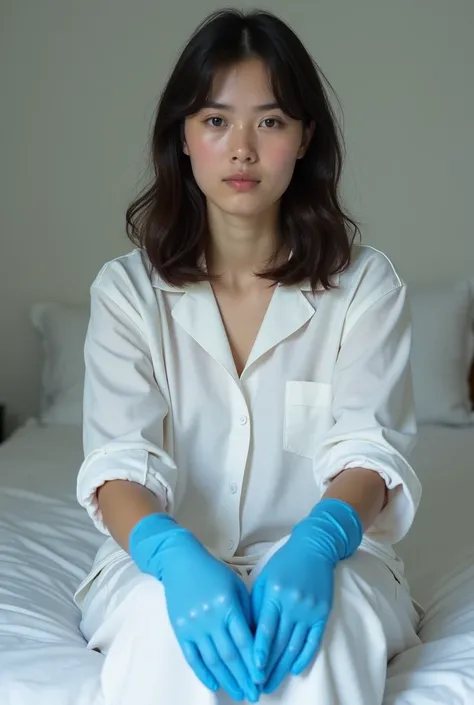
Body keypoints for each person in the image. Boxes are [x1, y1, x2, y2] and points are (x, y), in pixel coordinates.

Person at [74, 8, 423, 705]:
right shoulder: (127, 292)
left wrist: (320, 540)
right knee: (160, 631)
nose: (241, 149)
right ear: (182, 135)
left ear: (304, 138)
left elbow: (369, 449)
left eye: (269, 121)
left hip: (331, 558)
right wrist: (173, 558)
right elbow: (117, 462)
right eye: (214, 120)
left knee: (320, 637)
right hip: (159, 563)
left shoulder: (365, 285)